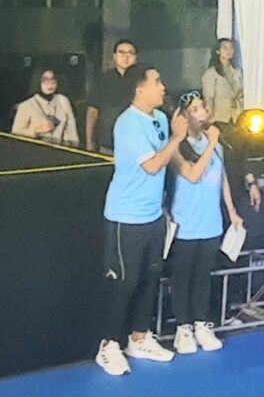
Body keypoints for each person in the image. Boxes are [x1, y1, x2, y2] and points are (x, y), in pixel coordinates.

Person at [97, 66, 186, 376]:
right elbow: (151, 166)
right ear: (140, 89)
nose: (163, 87)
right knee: (125, 282)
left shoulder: (160, 118)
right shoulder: (128, 124)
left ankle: (139, 338)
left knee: (150, 278)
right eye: (157, 82)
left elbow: (169, 161)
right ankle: (108, 345)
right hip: (126, 216)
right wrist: (177, 138)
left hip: (153, 215)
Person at [165, 90, 242, 355]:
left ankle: (201, 324)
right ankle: (183, 327)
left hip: (210, 221)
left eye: (203, 107)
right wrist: (211, 144)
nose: (202, 113)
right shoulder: (176, 147)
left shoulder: (216, 145)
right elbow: (194, 175)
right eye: (195, 109)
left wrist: (231, 210)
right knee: (183, 277)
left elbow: (222, 178)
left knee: (203, 277)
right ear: (184, 116)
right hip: (186, 222)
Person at [86, 39, 139, 152]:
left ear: (136, 57)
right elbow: (92, 111)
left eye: (130, 53)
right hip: (108, 141)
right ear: (114, 56)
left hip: (137, 142)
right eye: (122, 53)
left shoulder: (143, 81)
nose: (126, 57)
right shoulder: (102, 80)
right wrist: (89, 141)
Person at [12, 67, 78, 144]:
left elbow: (72, 133)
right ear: (38, 82)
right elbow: (15, 133)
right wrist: (36, 131)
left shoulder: (63, 101)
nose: (50, 84)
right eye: (45, 80)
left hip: (59, 148)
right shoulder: (26, 105)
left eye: (53, 79)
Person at [201, 38, 244, 125]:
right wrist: (210, 118)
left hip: (237, 116)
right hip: (220, 117)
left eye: (231, 48)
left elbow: (240, 94)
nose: (229, 51)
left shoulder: (237, 71)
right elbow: (209, 98)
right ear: (218, 51)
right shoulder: (211, 73)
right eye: (225, 48)